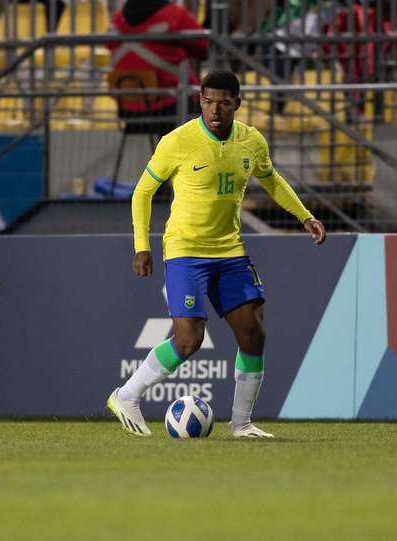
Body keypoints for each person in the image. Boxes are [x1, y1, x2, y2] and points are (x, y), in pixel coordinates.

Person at [108, 70, 327, 438]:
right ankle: (126, 395)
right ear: (200, 102)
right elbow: (143, 191)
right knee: (189, 339)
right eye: (209, 102)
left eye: (224, 103)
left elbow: (271, 178)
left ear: (237, 105)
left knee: (253, 334)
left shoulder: (251, 142)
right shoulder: (178, 141)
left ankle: (241, 423)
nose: (215, 110)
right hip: (185, 250)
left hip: (229, 251)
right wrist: (141, 246)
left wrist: (304, 215)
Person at [107, 0, 208, 136]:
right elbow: (203, 46)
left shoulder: (118, 19)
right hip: (170, 106)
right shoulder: (176, 14)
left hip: (128, 109)